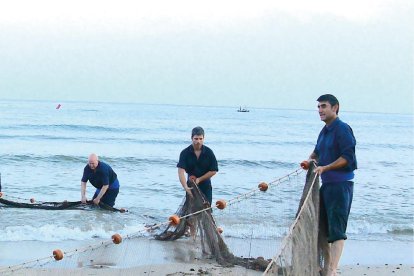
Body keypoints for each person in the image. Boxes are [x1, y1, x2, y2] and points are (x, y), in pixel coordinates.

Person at [301, 94, 357, 276]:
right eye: (318, 107)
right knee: (323, 229)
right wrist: (309, 161)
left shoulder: (342, 129)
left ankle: (332, 270)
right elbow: (317, 152)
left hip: (341, 186)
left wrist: (326, 168)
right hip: (325, 186)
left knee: (337, 230)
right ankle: (326, 267)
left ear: (335, 108)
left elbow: (347, 157)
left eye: (324, 106)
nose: (320, 110)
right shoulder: (324, 130)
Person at [177, 126, 218, 205]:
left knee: (206, 207)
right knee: (191, 208)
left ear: (203, 138)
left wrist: (199, 179)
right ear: (192, 138)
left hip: (205, 184)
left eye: (200, 139)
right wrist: (185, 187)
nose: (198, 141)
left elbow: (214, 170)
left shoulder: (209, 152)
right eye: (196, 139)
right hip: (191, 185)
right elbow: (180, 171)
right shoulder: (185, 153)